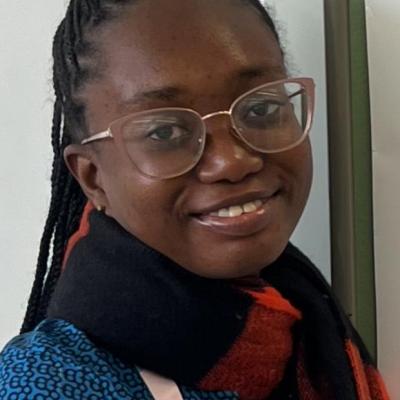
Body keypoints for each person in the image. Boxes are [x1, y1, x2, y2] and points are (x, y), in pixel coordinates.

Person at [0, 0, 390, 399]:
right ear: (93, 178)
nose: (232, 162)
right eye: (164, 132)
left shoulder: (302, 316)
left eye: (261, 108)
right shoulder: (50, 383)